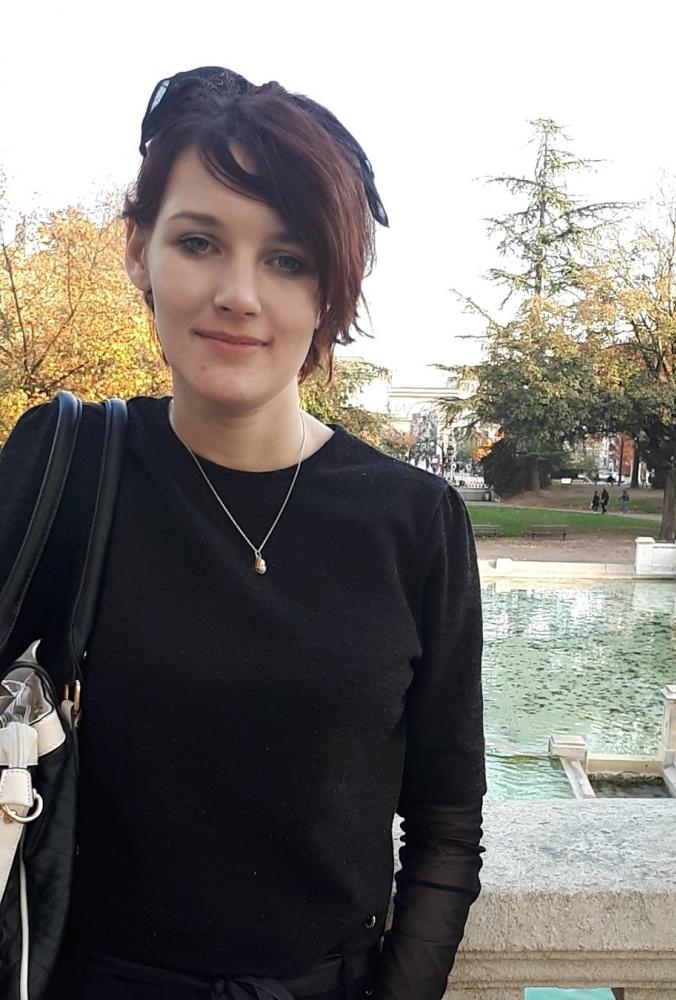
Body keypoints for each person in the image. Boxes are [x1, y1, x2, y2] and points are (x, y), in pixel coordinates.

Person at [0, 67, 485, 1000]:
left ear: (330, 290)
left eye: (287, 259)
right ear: (138, 251)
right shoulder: (68, 466)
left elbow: (446, 821)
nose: (239, 294)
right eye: (199, 242)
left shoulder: (414, 522)